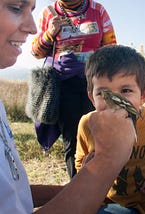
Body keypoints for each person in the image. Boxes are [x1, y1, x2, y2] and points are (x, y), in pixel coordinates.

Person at [0, 0, 135, 213]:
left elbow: (9, 191)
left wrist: (84, 186)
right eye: (16, 8)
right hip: (65, 90)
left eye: (31, 10)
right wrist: (107, 162)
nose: (32, 26)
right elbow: (37, 50)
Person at [75, 45, 145, 214]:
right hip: (109, 204)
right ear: (91, 97)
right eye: (103, 93)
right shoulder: (87, 124)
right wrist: (87, 169)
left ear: (143, 95)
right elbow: (80, 160)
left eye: (126, 91)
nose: (114, 101)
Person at [31, 0, 117, 178]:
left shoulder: (98, 11)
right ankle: (76, 190)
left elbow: (112, 48)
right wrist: (50, 33)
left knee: (99, 137)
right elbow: (35, 52)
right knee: (72, 139)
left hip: (94, 84)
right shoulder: (49, 13)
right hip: (64, 86)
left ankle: (102, 189)